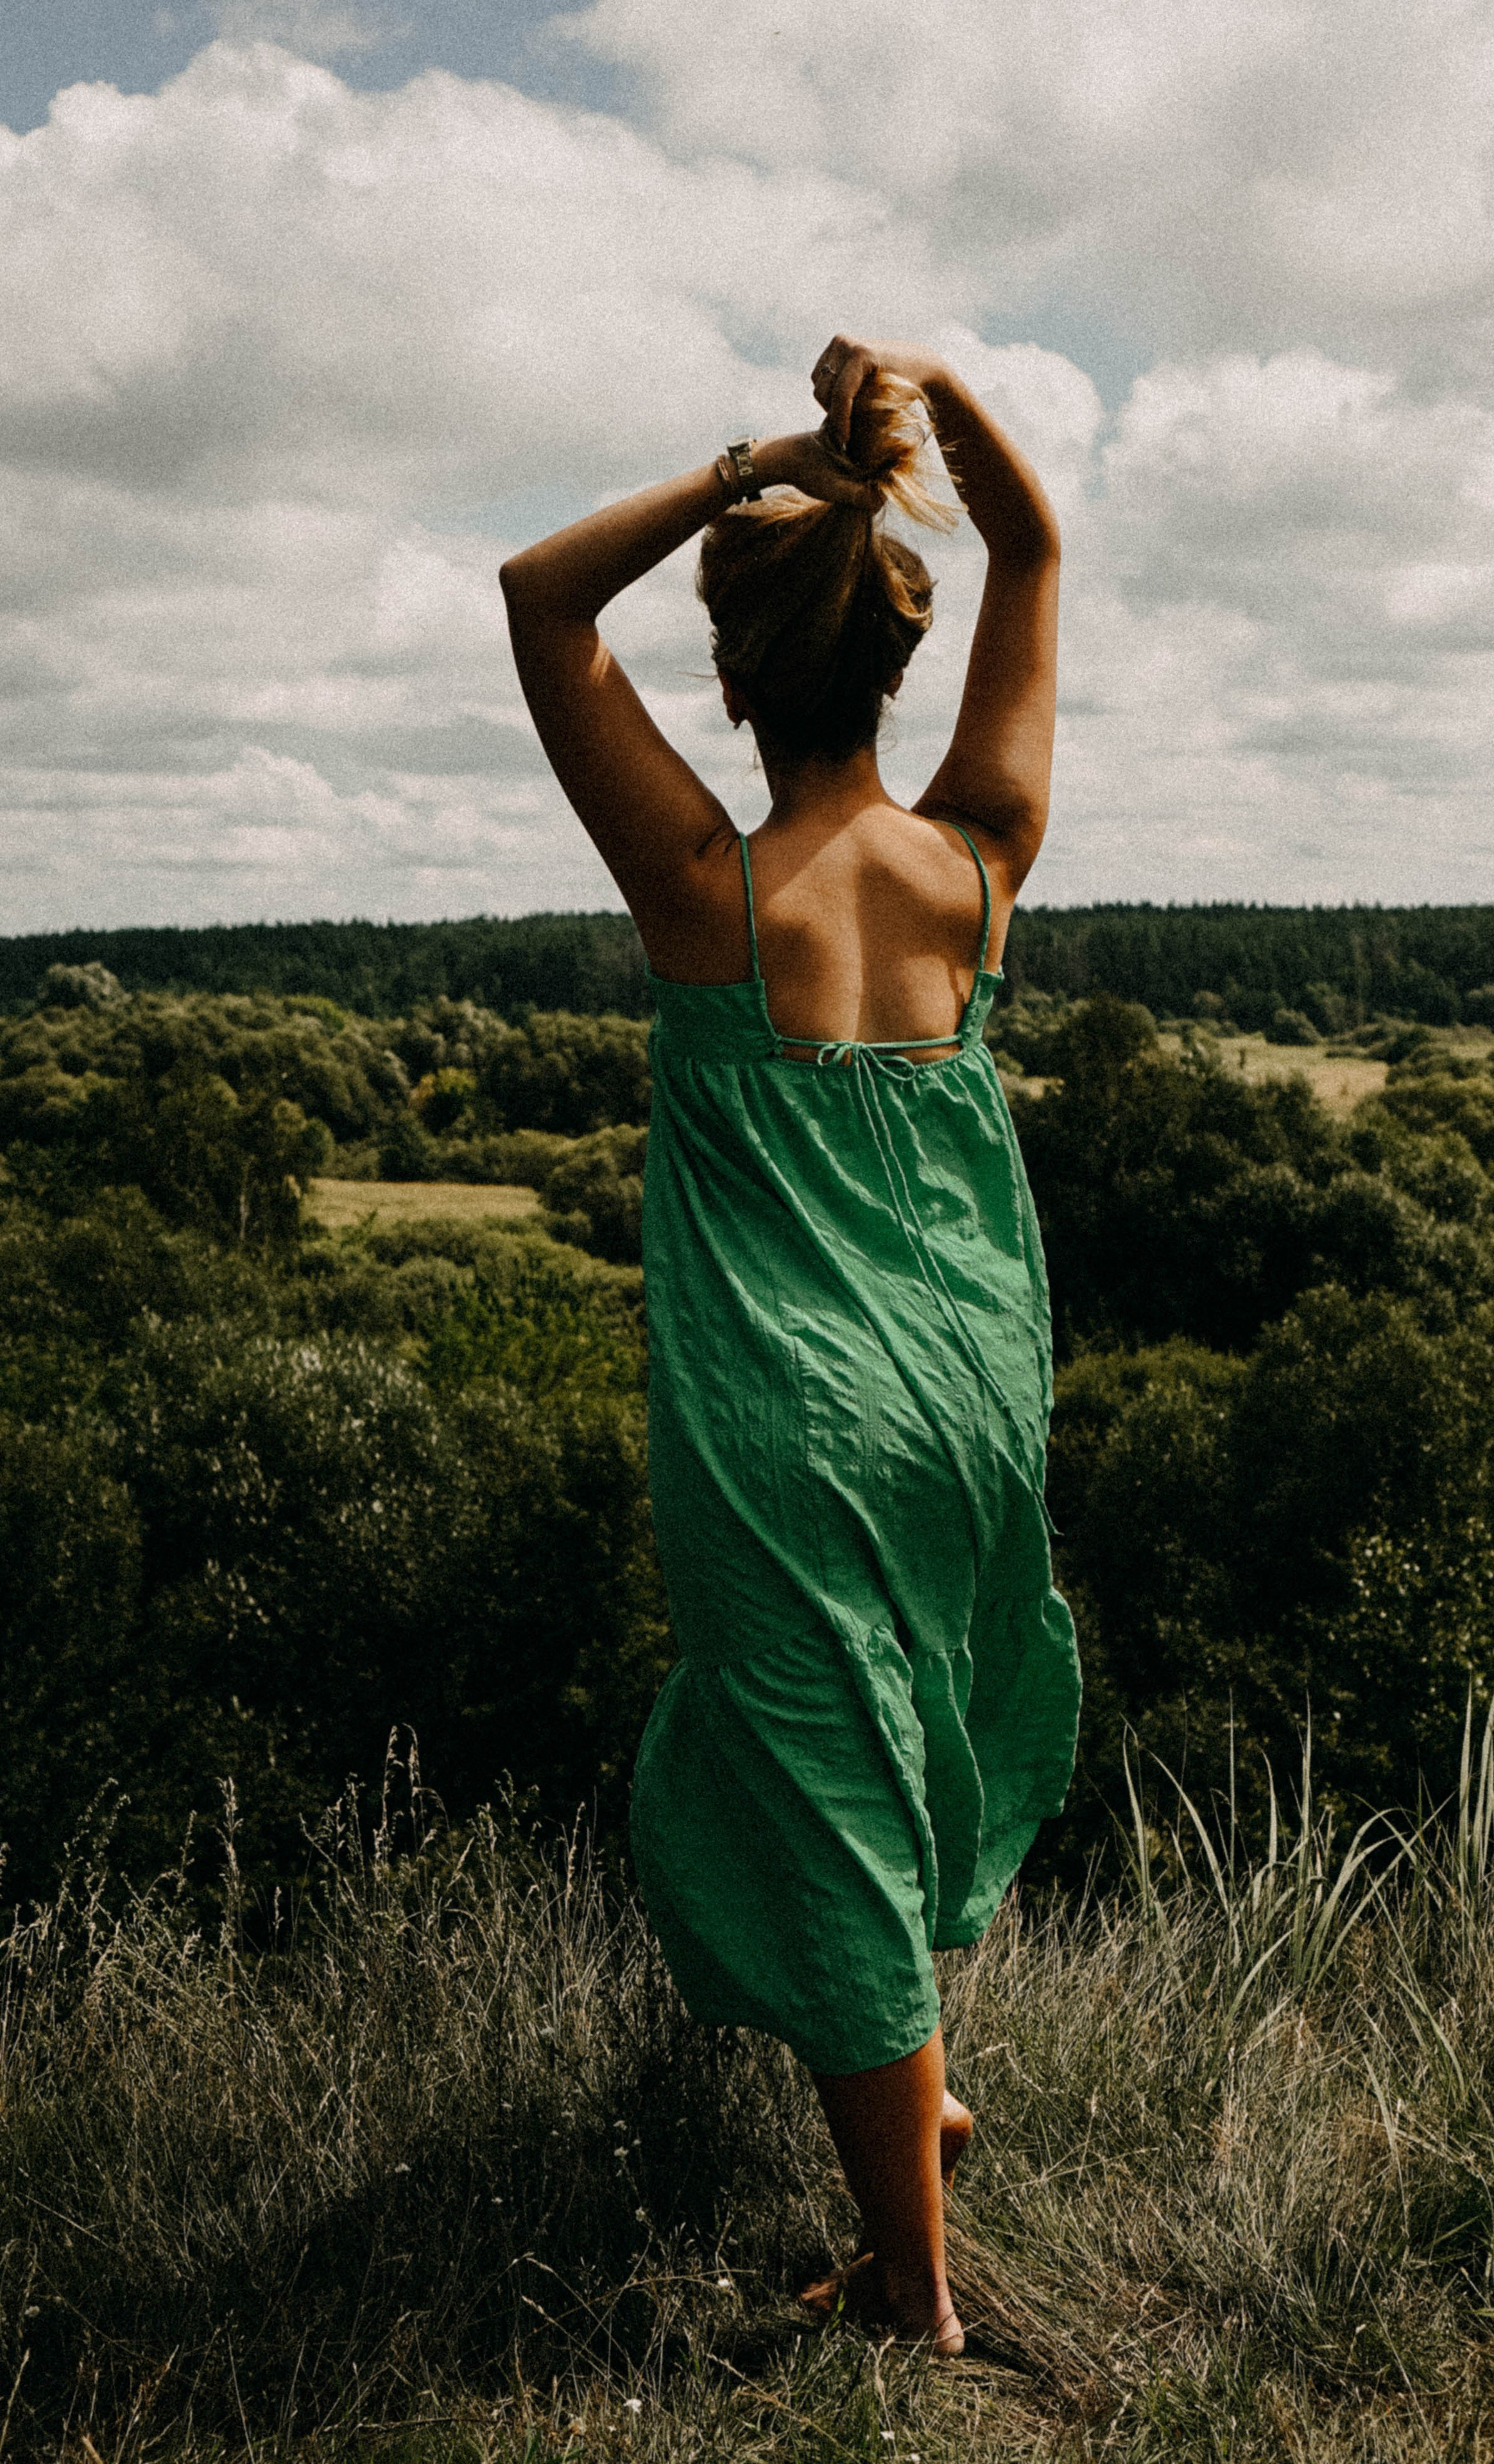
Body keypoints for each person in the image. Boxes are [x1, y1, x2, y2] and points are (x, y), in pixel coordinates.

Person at [499, 334, 1080, 2357]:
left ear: (736, 679)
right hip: (973, 1385)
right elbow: (1035, 538)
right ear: (897, 664)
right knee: (917, 1710)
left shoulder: (704, 893)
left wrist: (763, 461)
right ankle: (919, 2089)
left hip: (788, 1415)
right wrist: (917, 398)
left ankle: (907, 2295)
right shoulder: (980, 861)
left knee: (820, 1779)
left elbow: (538, 599)